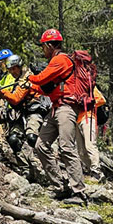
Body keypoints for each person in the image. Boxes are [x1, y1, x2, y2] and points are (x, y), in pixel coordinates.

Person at [28, 28, 88, 204]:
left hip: (66, 108)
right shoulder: (57, 62)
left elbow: (40, 79)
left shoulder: (61, 59)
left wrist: (29, 77)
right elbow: (46, 87)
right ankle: (61, 185)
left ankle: (79, 191)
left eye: (43, 46)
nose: (42, 50)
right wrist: (31, 87)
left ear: (48, 45)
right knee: (41, 145)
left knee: (66, 147)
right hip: (55, 108)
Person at [0, 54, 48, 179]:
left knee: (32, 138)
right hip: (21, 113)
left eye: (14, 69)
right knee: (13, 139)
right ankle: (26, 169)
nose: (12, 72)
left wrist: (2, 92)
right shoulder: (16, 79)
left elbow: (15, 98)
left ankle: (46, 165)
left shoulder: (27, 78)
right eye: (10, 69)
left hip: (34, 112)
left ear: (20, 66)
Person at [75, 86, 107, 182]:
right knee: (81, 150)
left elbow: (101, 100)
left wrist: (86, 103)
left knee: (90, 145)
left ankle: (96, 171)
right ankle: (92, 171)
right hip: (76, 120)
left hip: (88, 117)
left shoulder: (89, 86)